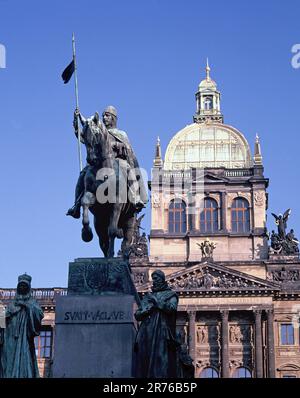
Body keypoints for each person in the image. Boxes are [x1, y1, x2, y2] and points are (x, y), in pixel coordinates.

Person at [67, 105, 147, 218]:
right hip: (98, 162)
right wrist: (76, 120)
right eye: (103, 115)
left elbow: (127, 149)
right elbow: (83, 137)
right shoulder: (97, 132)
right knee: (83, 174)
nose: (104, 117)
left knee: (127, 168)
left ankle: (135, 197)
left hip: (116, 160)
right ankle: (76, 206)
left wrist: (118, 145)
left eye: (107, 115)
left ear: (113, 118)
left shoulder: (121, 134)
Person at [134, 270, 178, 378]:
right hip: (147, 330)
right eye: (153, 279)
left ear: (162, 279)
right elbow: (137, 314)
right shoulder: (148, 296)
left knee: (161, 359)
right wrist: (146, 310)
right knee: (145, 358)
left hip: (162, 331)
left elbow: (172, 309)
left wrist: (157, 303)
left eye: (156, 278)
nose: (154, 281)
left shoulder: (171, 295)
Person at [1, 274, 44, 378]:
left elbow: (39, 314)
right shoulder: (11, 304)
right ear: (17, 288)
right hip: (9, 339)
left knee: (25, 363)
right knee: (8, 364)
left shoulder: (32, 302)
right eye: (20, 286)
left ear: (28, 288)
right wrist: (6, 315)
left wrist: (26, 306)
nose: (22, 288)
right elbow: (1, 320)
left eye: (25, 286)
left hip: (24, 339)